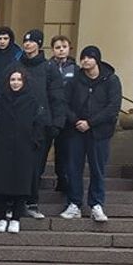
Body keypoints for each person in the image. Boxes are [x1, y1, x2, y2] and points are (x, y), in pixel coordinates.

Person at [61, 46, 122, 223]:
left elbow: (112, 107)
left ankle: (96, 204)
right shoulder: (74, 81)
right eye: (83, 58)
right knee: (73, 168)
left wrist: (91, 122)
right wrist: (76, 121)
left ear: (97, 60)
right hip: (76, 131)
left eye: (89, 57)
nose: (85, 60)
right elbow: (65, 104)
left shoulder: (111, 80)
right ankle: (74, 203)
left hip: (100, 133)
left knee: (97, 169)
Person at [0, 69, 44, 234]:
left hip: (24, 149)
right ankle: (1, 217)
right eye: (12, 79)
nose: (15, 82)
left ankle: (16, 218)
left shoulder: (32, 101)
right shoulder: (0, 99)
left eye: (19, 79)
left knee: (21, 184)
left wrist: (34, 143)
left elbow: (38, 125)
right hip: (1, 148)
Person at [19, 28, 66, 219]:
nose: (28, 44)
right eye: (25, 41)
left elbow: (57, 97)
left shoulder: (49, 68)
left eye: (31, 41)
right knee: (19, 165)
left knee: (36, 167)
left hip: (42, 127)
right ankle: (16, 202)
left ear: (39, 44)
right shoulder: (17, 66)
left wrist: (57, 123)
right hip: (20, 126)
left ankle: (32, 202)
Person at [48, 34, 77, 193]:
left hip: (68, 117)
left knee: (64, 151)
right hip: (51, 115)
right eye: (58, 47)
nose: (61, 50)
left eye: (64, 47)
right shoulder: (47, 67)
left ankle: (63, 179)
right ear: (53, 50)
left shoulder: (76, 69)